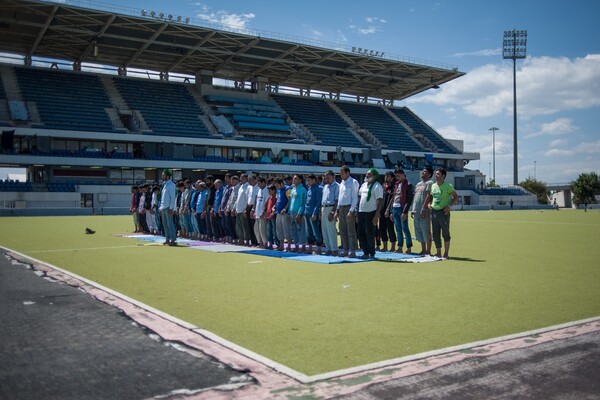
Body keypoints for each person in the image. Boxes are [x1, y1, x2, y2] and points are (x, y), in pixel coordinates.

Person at [427, 167, 459, 259]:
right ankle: (438, 252)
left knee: (445, 233)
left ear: (443, 176)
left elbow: (456, 196)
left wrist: (449, 206)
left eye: (438, 174)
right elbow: (431, 197)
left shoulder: (448, 186)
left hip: (443, 212)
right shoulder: (433, 186)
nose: (435, 176)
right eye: (435, 174)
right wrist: (429, 204)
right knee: (435, 234)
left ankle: (446, 253)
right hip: (434, 212)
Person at [357, 168, 384, 259]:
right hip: (361, 212)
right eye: (367, 174)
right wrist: (357, 212)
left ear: (374, 176)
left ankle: (371, 253)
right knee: (361, 233)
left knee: (369, 234)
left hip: (371, 212)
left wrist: (376, 215)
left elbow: (380, 201)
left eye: (369, 174)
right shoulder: (363, 185)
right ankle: (365, 252)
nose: (367, 175)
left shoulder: (377, 186)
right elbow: (360, 198)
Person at [335, 165, 359, 258]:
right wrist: (337, 210)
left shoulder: (353, 182)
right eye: (340, 174)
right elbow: (339, 198)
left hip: (349, 208)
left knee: (351, 230)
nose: (341, 175)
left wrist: (351, 210)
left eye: (342, 173)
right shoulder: (341, 183)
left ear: (348, 173)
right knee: (342, 230)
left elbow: (355, 197)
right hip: (341, 208)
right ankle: (345, 249)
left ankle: (352, 250)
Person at [389, 168, 414, 254]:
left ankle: (409, 247)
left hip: (402, 208)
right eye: (396, 177)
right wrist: (391, 211)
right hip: (395, 208)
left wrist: (405, 212)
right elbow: (394, 197)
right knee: (398, 229)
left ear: (403, 174)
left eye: (399, 176)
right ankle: (400, 246)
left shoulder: (409, 185)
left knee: (405, 228)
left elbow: (409, 200)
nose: (398, 178)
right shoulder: (396, 184)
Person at [410, 166, 433, 255]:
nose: (423, 173)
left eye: (425, 172)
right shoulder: (418, 184)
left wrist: (424, 208)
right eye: (422, 171)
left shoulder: (430, 183)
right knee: (418, 230)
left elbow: (429, 196)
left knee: (426, 230)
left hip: (424, 211)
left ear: (429, 174)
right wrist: (413, 209)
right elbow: (415, 197)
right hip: (416, 211)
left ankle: (428, 250)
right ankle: (423, 249)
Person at [321, 170, 339, 256]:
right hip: (324, 208)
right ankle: (328, 248)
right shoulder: (325, 187)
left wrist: (333, 211)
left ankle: (334, 249)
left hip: (331, 207)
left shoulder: (337, 186)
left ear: (333, 177)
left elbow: (337, 200)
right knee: (324, 229)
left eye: (328, 177)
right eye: (325, 178)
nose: (326, 179)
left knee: (331, 229)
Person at [304, 174, 323, 254]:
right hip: (307, 212)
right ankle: (310, 248)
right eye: (307, 181)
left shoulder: (318, 188)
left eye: (309, 180)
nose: (308, 182)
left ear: (314, 180)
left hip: (313, 213)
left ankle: (319, 248)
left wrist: (315, 213)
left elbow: (318, 202)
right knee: (308, 231)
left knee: (316, 230)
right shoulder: (309, 189)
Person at [288, 174, 307, 253]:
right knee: (293, 229)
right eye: (293, 179)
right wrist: (289, 213)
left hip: (298, 212)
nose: (293, 180)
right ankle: (296, 245)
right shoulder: (293, 189)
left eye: (295, 179)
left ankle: (303, 246)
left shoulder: (303, 189)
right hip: (292, 212)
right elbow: (291, 202)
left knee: (301, 229)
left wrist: (299, 214)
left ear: (300, 180)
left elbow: (303, 203)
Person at [159, 169, 177, 246]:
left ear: (167, 176)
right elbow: (163, 197)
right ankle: (167, 239)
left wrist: (171, 208)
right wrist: (160, 207)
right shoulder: (164, 184)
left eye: (163, 175)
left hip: (168, 207)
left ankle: (173, 239)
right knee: (165, 224)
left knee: (170, 224)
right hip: (163, 207)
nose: (162, 176)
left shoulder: (172, 185)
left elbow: (173, 197)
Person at [380, 171, 397, 252]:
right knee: (382, 228)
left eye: (388, 176)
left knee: (390, 228)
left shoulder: (394, 187)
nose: (386, 177)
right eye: (385, 176)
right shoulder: (383, 186)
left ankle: (393, 246)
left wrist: (388, 209)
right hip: (381, 210)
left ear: (392, 178)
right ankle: (385, 246)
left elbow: (392, 199)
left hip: (389, 210)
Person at [274, 177, 292, 251]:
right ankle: (281, 245)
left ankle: (289, 246)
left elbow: (290, 200)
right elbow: (278, 200)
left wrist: (285, 208)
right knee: (279, 229)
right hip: (278, 213)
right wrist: (274, 207)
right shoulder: (278, 191)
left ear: (281, 183)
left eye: (277, 185)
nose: (277, 187)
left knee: (286, 229)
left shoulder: (288, 189)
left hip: (285, 213)